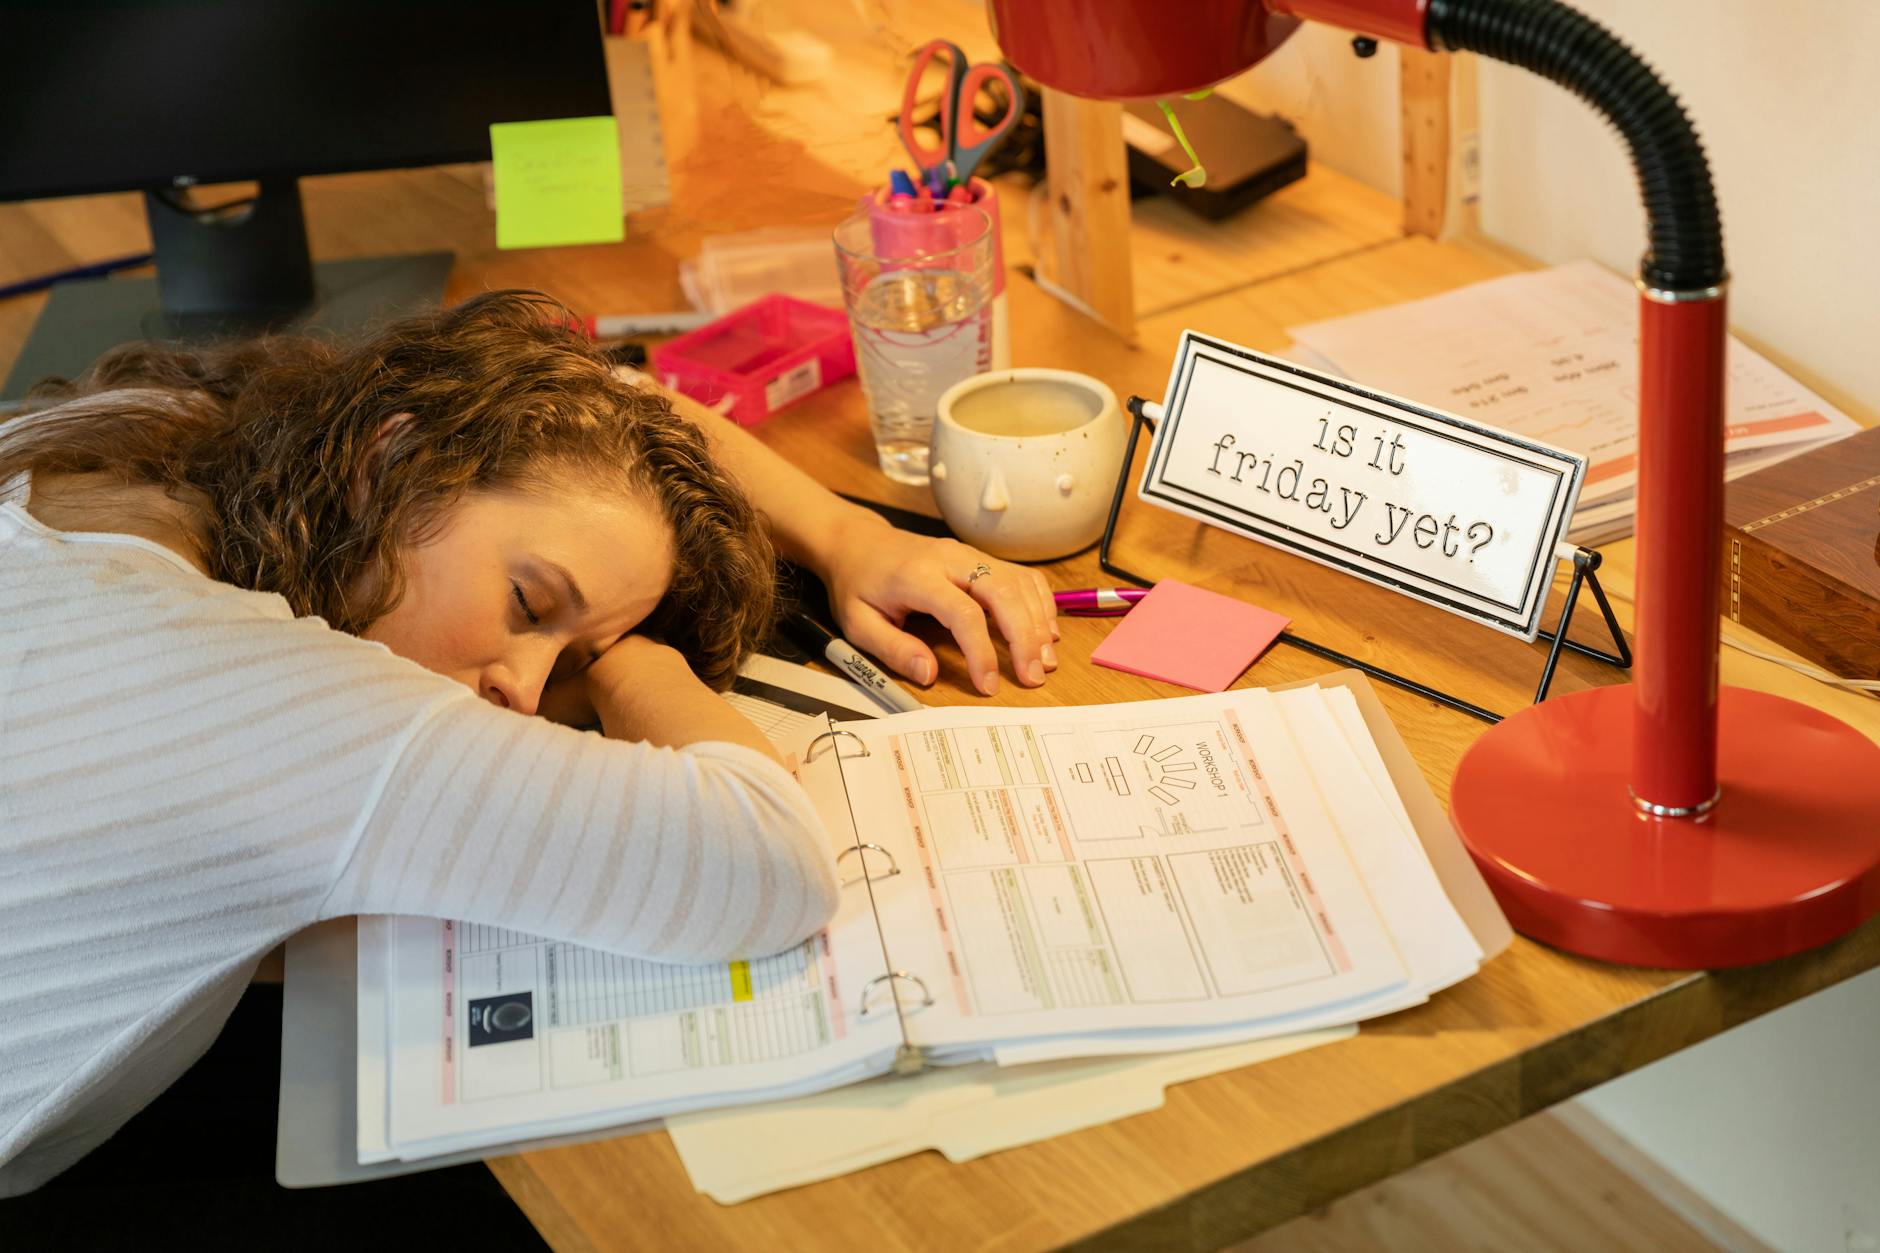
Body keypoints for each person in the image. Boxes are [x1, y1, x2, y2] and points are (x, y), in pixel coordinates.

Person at [0, 290, 1059, 1194]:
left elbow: (624, 402)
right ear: (389, 457)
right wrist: (636, 661)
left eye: (567, 653)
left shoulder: (151, 441)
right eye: (527, 600)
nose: (523, 686)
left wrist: (848, 536)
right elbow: (762, 861)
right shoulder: (265, 692)